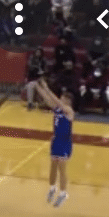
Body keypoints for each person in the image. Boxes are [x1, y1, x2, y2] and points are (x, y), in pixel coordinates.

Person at [35, 78, 74, 207]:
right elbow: (48, 100)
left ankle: (63, 193)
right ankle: (52, 188)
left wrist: (46, 87)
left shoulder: (69, 111)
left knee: (62, 168)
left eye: (62, 98)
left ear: (67, 101)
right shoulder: (57, 109)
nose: (60, 100)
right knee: (53, 166)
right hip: (56, 140)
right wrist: (37, 87)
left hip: (64, 142)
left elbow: (55, 100)